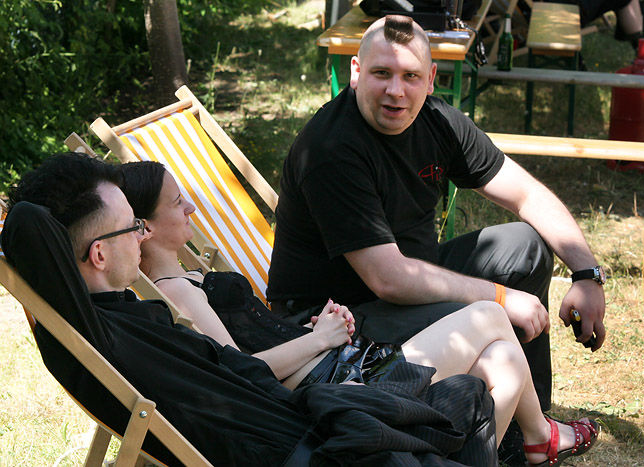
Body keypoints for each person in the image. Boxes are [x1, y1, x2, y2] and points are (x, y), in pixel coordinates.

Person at [5, 152, 501, 466]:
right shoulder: (109, 334)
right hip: (318, 454)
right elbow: (27, 222)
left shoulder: (121, 318)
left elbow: (236, 370)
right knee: (467, 398)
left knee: (468, 392)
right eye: (131, 227)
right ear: (97, 255)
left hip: (312, 419)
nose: (141, 235)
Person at [266, 13, 606, 463]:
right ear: (355, 72)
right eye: (381, 73)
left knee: (523, 246)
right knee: (492, 313)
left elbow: (525, 193)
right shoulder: (331, 149)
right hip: (336, 321)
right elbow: (389, 278)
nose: (395, 91)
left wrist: (586, 273)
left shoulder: (436, 120)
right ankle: (533, 437)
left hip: (405, 289)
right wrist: (502, 297)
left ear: (430, 79)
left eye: (410, 76)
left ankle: (527, 427)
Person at [120, 159, 600, 467]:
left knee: (505, 361)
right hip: (342, 391)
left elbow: (249, 340)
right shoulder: (176, 294)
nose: (191, 206)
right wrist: (321, 339)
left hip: (340, 365)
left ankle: (507, 450)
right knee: (489, 316)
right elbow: (242, 374)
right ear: (144, 228)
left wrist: (309, 331)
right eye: (177, 202)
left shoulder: (191, 278)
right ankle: (540, 437)